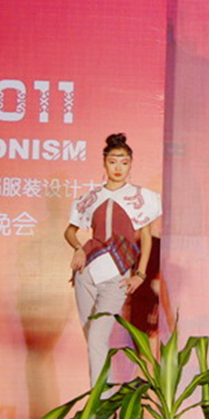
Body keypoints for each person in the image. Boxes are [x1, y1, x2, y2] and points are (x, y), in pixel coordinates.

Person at [65, 133, 162, 394]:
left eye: (124, 162)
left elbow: (146, 238)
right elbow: (70, 231)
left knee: (98, 336)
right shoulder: (91, 197)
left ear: (131, 165)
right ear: (104, 163)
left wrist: (140, 274)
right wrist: (78, 248)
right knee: (92, 339)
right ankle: (103, 399)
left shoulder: (141, 197)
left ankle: (100, 403)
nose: (118, 167)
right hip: (86, 272)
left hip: (117, 275)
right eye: (113, 161)